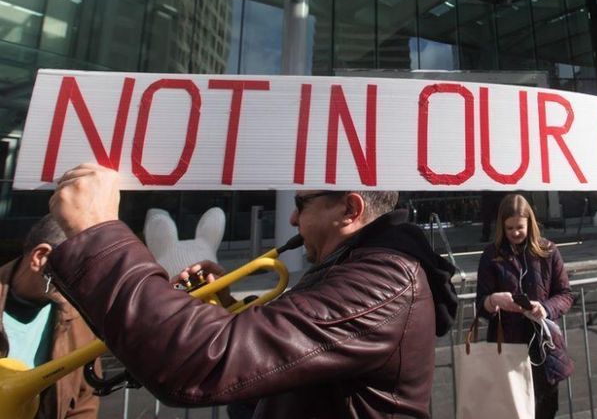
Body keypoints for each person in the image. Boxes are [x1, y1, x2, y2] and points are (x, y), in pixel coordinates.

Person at [45, 163, 458, 418]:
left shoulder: (381, 280)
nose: (292, 218)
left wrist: (98, 234)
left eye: (302, 203)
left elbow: (200, 361)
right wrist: (223, 309)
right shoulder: (358, 266)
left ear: (350, 210)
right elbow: (287, 360)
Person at [476, 194, 574, 419]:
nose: (515, 233)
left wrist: (546, 308)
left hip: (544, 348)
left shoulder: (548, 251)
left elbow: (565, 294)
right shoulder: (491, 255)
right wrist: (493, 301)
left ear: (530, 223)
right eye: (509, 228)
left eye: (519, 227)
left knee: (545, 410)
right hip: (508, 346)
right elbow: (481, 303)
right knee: (512, 411)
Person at [0, 214, 100, 419]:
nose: (90, 282)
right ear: (40, 257)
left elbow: (84, 401)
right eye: (83, 270)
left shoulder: (81, 318)